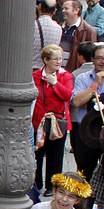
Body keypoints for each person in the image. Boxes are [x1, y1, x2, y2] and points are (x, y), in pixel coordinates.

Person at [33, 45, 74, 191]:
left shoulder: (65, 76)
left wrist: (55, 83)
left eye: (60, 58)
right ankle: (36, 184)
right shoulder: (36, 76)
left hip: (58, 122)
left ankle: (52, 186)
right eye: (55, 59)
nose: (58, 62)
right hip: (39, 122)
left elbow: (68, 95)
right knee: (37, 154)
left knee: (55, 156)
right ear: (45, 60)